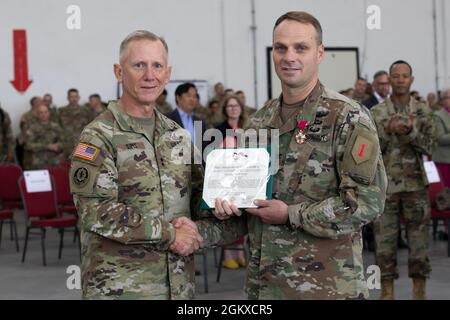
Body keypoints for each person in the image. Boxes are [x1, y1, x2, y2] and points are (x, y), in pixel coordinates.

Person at [214, 11, 387, 299]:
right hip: (265, 286)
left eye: (301, 48)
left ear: (319, 53)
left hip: (326, 287)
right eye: (280, 48)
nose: (289, 56)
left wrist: (291, 215)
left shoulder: (348, 117)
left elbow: (367, 203)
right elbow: (247, 202)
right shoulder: (259, 121)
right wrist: (226, 205)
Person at [70, 30, 243, 300]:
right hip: (122, 289)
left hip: (178, 287)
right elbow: (96, 211)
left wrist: (224, 207)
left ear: (168, 73)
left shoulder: (177, 136)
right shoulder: (98, 136)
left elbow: (203, 199)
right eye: (139, 65)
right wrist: (172, 234)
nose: (149, 75)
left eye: (157, 66)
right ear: (119, 71)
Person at [371, 60, 436, 300]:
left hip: (416, 186)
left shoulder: (422, 111)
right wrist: (387, 131)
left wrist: (411, 133)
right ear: (389, 80)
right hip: (385, 188)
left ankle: (420, 292)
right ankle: (386, 293)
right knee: (384, 244)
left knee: (419, 243)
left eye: (404, 76)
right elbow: (369, 151)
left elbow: (430, 146)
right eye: (395, 76)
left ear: (411, 80)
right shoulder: (377, 113)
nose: (399, 80)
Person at [215, 95, 249, 269]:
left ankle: (240, 253)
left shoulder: (248, 128)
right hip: (225, 178)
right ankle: (228, 254)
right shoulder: (219, 130)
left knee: (242, 216)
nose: (233, 109)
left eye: (236, 106)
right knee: (227, 216)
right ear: (225, 110)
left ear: (241, 108)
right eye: (229, 106)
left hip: (243, 177)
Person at [24, 104, 65, 169]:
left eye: (46, 112)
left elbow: (63, 141)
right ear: (37, 114)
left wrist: (58, 145)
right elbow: (28, 145)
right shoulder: (32, 128)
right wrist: (47, 146)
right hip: (39, 162)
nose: (44, 115)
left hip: (54, 161)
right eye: (41, 113)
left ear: (49, 113)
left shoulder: (55, 126)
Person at [58, 88, 92, 157]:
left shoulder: (86, 111)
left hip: (82, 145)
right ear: (68, 98)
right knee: (65, 166)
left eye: (76, 97)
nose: (74, 99)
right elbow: (58, 128)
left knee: (81, 166)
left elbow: (91, 128)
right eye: (71, 97)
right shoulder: (61, 111)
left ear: (78, 98)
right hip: (66, 146)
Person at [432, 88, 450, 187]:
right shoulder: (437, 116)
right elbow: (440, 138)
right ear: (443, 100)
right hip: (445, 160)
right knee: (447, 191)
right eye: (449, 97)